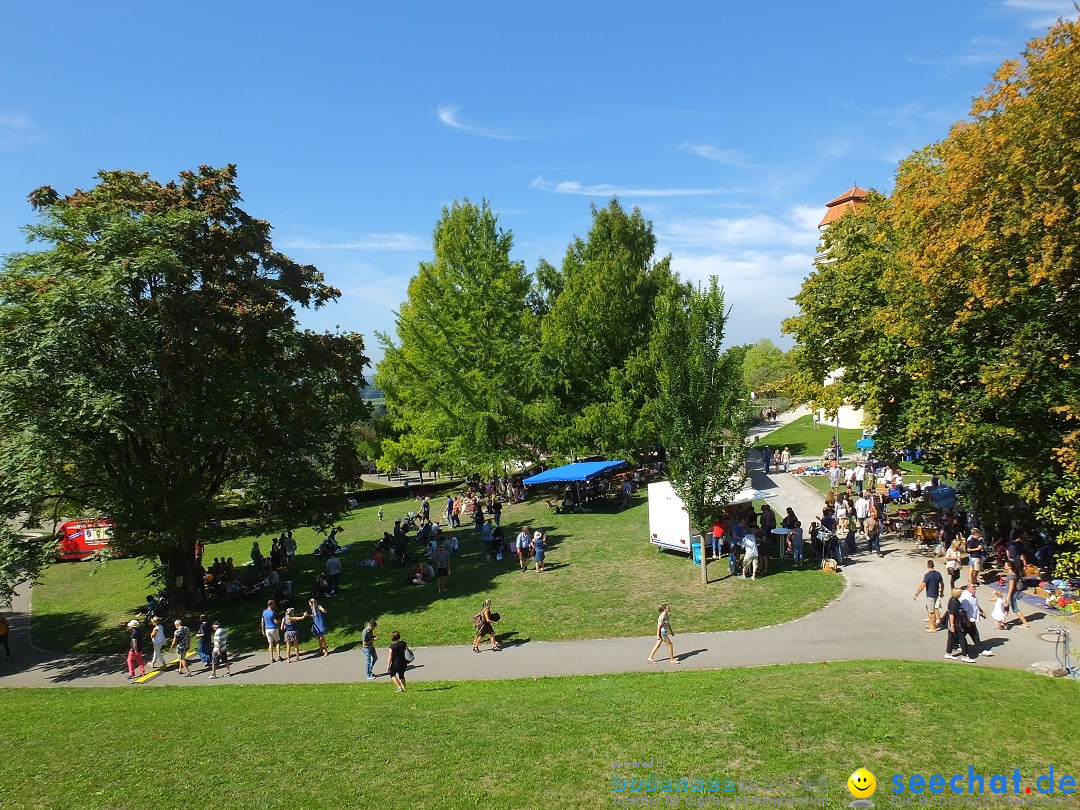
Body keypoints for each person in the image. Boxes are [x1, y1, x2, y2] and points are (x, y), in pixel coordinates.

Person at [959, 583, 994, 657]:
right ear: (968, 588)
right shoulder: (966, 598)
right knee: (975, 634)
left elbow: (975, 604)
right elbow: (964, 611)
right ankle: (980, 649)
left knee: (963, 633)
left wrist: (981, 611)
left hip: (971, 619)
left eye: (975, 588)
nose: (974, 589)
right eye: (973, 588)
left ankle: (954, 644)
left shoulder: (972, 595)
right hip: (968, 619)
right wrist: (968, 622)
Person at [944, 589, 976, 662]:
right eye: (960, 593)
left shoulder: (955, 600)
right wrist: (952, 625)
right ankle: (965, 656)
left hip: (956, 623)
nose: (961, 594)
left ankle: (948, 653)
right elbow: (951, 614)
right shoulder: (954, 602)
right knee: (962, 640)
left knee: (951, 638)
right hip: (956, 624)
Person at [913, 560, 945, 633]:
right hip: (936, 594)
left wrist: (916, 594)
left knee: (931, 612)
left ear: (927, 566)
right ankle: (931, 624)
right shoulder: (938, 574)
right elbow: (942, 584)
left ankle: (933, 628)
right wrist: (942, 591)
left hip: (930, 595)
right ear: (933, 565)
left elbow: (923, 585)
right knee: (932, 609)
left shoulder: (927, 575)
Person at [1003, 560, 1030, 630]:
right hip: (1011, 593)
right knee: (1006, 606)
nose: (1004, 566)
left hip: (1012, 594)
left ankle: (1025, 623)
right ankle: (1002, 621)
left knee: (1015, 608)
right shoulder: (1012, 574)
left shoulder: (1011, 576)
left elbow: (1011, 587)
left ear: (1009, 567)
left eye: (1005, 565)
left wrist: (1008, 596)